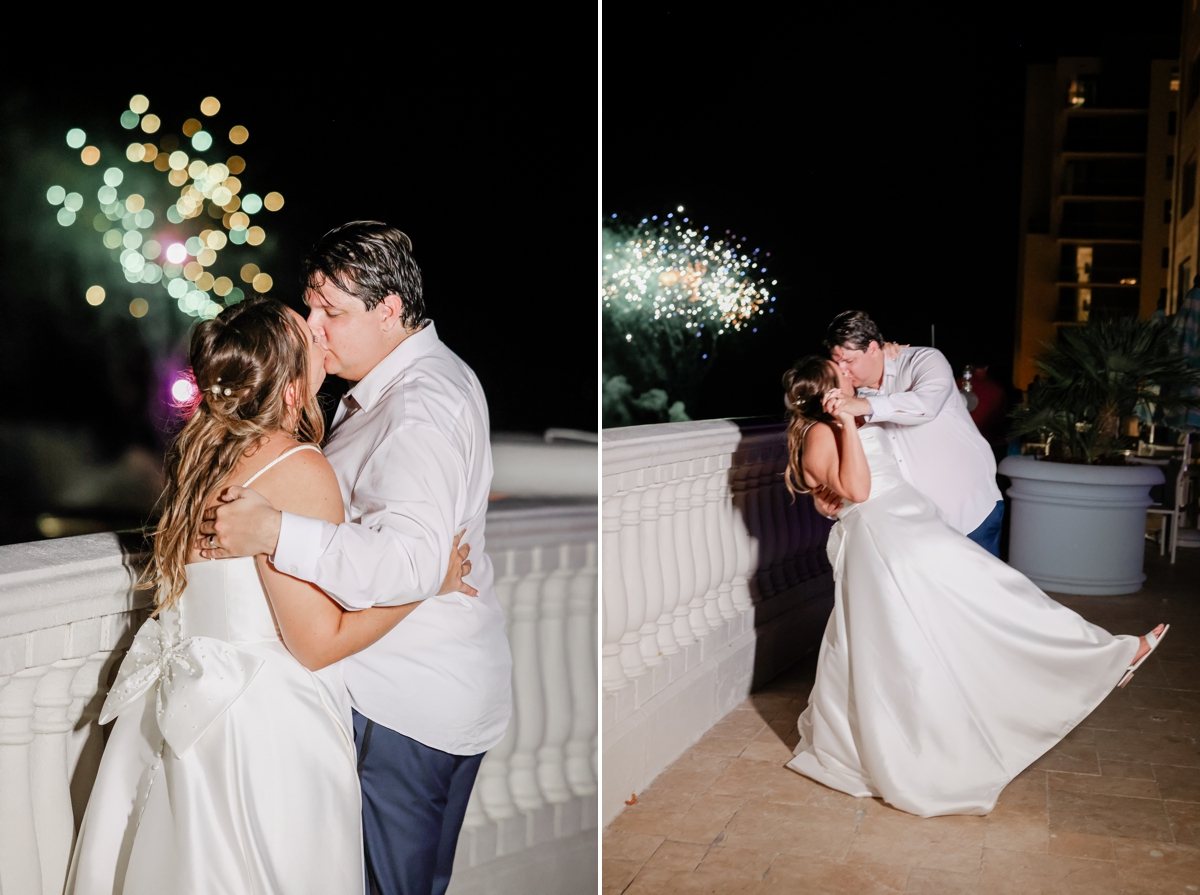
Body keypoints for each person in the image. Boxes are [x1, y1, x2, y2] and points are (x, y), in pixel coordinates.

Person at [66, 297, 473, 894]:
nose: (320, 336)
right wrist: (427, 584)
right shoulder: (300, 467)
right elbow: (317, 642)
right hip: (264, 726)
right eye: (308, 339)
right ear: (290, 389)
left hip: (188, 712)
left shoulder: (200, 457)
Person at [196, 222, 513, 895]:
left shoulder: (418, 404)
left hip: (401, 706)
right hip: (429, 693)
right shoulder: (424, 380)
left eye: (331, 313)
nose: (313, 329)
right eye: (310, 308)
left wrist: (275, 530)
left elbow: (410, 561)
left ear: (389, 309)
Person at [779, 355, 1167, 817]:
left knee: (961, 618)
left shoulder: (846, 417)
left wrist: (848, 433)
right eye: (838, 370)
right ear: (825, 391)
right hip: (893, 540)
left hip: (910, 525)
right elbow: (857, 492)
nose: (846, 371)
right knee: (975, 608)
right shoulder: (826, 430)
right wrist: (844, 428)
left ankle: (1096, 660)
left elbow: (851, 481)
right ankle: (1102, 657)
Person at [812, 311, 1006, 557]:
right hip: (915, 528)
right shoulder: (850, 398)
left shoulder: (924, 360)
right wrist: (828, 502)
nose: (843, 370)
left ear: (873, 348)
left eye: (848, 360)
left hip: (969, 511)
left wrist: (862, 406)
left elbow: (926, 405)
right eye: (836, 361)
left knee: (985, 582)